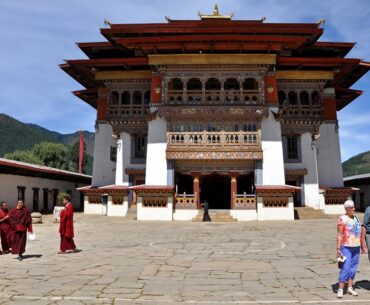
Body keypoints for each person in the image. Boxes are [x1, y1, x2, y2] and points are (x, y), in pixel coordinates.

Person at [336, 200, 366, 298]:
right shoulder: (342, 219)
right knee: (345, 267)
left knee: (353, 268)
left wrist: (362, 244)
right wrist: (338, 248)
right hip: (346, 246)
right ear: (346, 209)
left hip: (356, 247)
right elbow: (340, 234)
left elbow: (360, 231)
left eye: (353, 207)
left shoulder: (356, 217)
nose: (353, 209)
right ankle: (340, 289)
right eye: (351, 207)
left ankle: (350, 288)